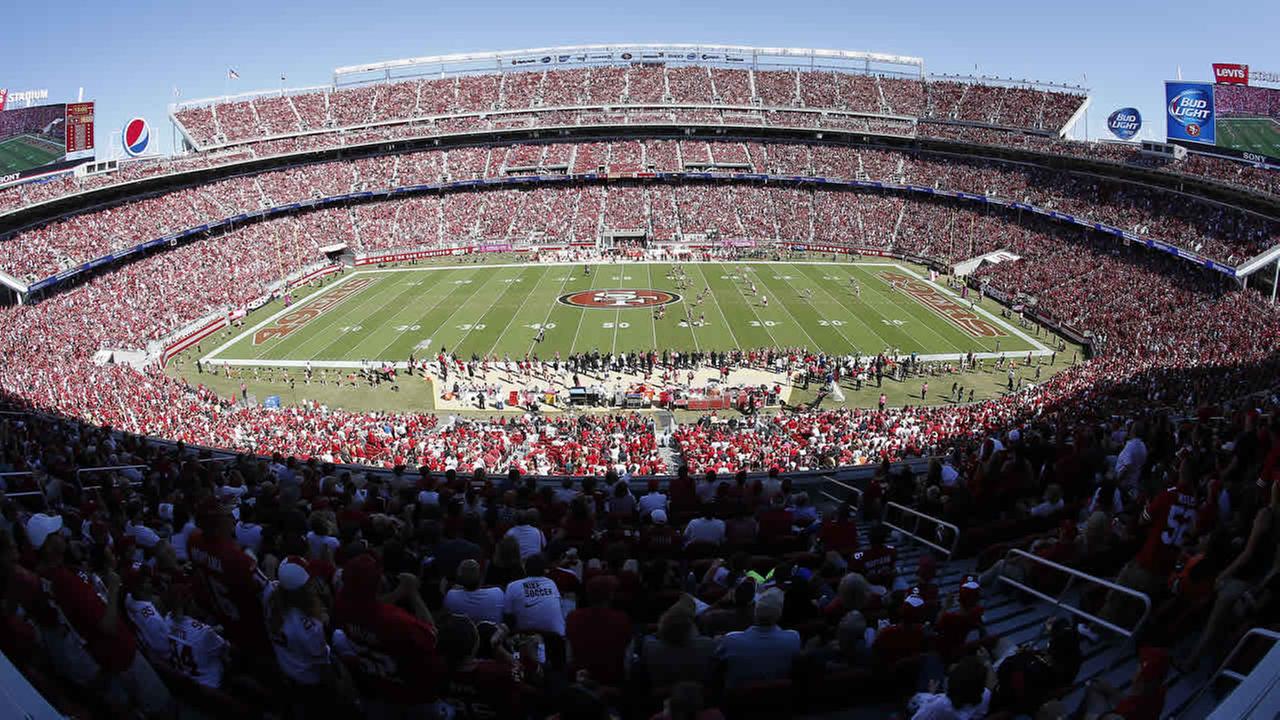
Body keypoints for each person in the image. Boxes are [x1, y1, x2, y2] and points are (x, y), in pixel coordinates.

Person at [28, 513, 174, 717]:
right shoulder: (64, 581)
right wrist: (113, 587)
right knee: (161, 706)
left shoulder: (47, 576)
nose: (62, 534)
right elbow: (108, 626)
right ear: (48, 545)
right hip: (119, 654)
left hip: (104, 658)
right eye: (56, 533)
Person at [332, 553, 442, 717]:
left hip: (374, 690)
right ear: (377, 584)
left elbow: (368, 607)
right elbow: (432, 636)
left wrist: (399, 592)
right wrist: (413, 593)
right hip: (412, 696)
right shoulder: (397, 621)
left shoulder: (340, 606)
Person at [714, 588, 800, 689]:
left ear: (755, 612)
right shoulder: (793, 638)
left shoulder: (730, 640)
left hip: (737, 702)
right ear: (779, 614)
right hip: (779, 701)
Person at [908, 655, 991, 720]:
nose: (954, 666)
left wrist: (930, 694)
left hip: (919, 705)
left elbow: (917, 717)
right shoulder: (986, 695)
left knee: (931, 658)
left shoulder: (939, 704)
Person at [502, 554, 565, 637]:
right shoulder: (551, 583)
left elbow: (507, 615)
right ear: (544, 570)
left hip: (527, 638)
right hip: (556, 637)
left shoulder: (512, 586)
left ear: (525, 569)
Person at [444, 559, 505, 625]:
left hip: (465, 634)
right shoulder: (497, 592)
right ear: (481, 578)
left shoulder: (451, 596)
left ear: (459, 579)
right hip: (494, 634)